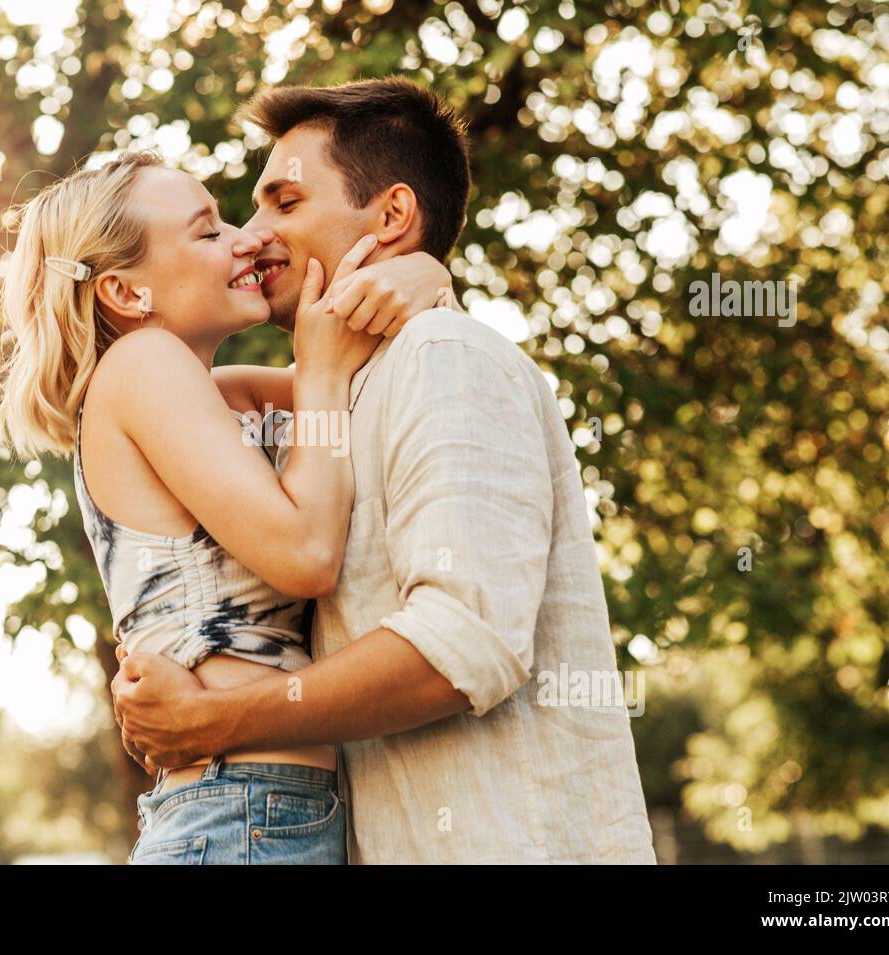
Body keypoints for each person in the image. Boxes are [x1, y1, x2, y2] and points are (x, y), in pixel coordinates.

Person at [111, 77, 658, 864]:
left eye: (285, 204)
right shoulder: (329, 399)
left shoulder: (447, 359)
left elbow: (458, 644)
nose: (252, 235)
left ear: (393, 216)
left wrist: (219, 722)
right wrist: (423, 278)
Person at [0, 148, 452, 863]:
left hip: (259, 809)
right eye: (206, 232)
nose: (247, 237)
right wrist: (323, 371)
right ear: (126, 293)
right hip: (239, 811)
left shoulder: (214, 393)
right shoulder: (143, 367)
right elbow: (306, 553)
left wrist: (426, 273)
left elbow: (367, 367)